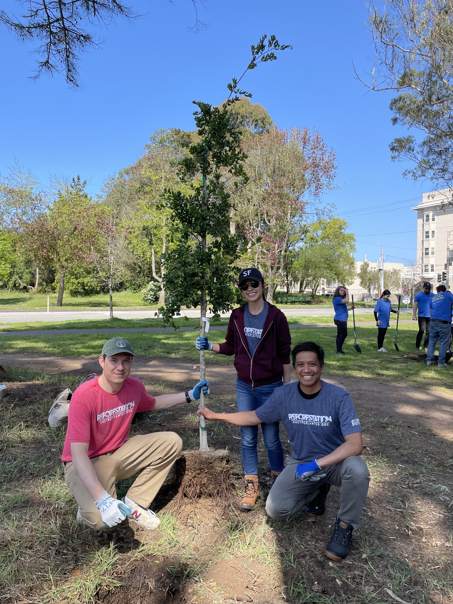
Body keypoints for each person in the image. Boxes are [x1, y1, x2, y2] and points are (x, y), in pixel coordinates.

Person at [199, 341, 369, 561]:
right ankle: (316, 489)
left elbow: (355, 444)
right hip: (301, 463)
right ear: (295, 368)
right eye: (301, 365)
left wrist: (318, 465)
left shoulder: (339, 397)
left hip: (335, 462)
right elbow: (255, 416)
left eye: (312, 364)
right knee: (275, 509)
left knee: (357, 469)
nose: (306, 370)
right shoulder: (284, 394)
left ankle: (344, 526)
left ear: (322, 366)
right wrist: (218, 416)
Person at [61, 337, 208, 531]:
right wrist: (102, 500)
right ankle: (87, 508)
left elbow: (153, 403)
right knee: (101, 521)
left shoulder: (134, 387)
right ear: (102, 361)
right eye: (114, 360)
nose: (120, 367)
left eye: (126, 361)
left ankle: (135, 501)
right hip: (83, 463)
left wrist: (189, 395)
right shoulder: (84, 396)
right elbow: (78, 454)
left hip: (117, 452)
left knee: (171, 442)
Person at [195, 267, 291, 511]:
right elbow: (230, 346)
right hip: (245, 387)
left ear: (262, 285)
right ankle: (251, 485)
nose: (250, 289)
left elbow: (285, 356)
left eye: (253, 284)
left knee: (270, 439)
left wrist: (286, 390)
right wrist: (209, 346)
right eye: (244, 286)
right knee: (247, 438)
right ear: (241, 290)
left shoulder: (276, 317)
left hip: (271, 387)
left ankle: (278, 480)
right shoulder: (237, 316)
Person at [426, 284, 453, 367]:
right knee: (443, 343)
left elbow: (430, 308)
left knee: (432, 341)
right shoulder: (449, 296)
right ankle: (441, 363)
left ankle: (429, 361)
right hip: (444, 323)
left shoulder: (433, 297)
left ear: (437, 291)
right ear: (444, 290)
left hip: (433, 322)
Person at [332, 285, 353, 354]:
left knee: (341, 334)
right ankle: (339, 350)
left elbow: (343, 309)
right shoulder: (337, 298)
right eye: (341, 290)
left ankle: (339, 349)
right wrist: (347, 292)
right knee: (342, 334)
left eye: (343, 291)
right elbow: (347, 300)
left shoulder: (340, 299)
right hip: (340, 319)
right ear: (338, 291)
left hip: (342, 319)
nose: (343, 292)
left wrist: (351, 308)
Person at [412, 282, 433, 350]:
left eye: (429, 289)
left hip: (430, 316)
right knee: (421, 330)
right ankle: (417, 346)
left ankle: (425, 346)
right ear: (423, 288)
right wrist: (414, 315)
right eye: (426, 288)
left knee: (429, 332)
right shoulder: (419, 295)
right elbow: (415, 305)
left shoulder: (433, 295)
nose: (427, 290)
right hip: (421, 316)